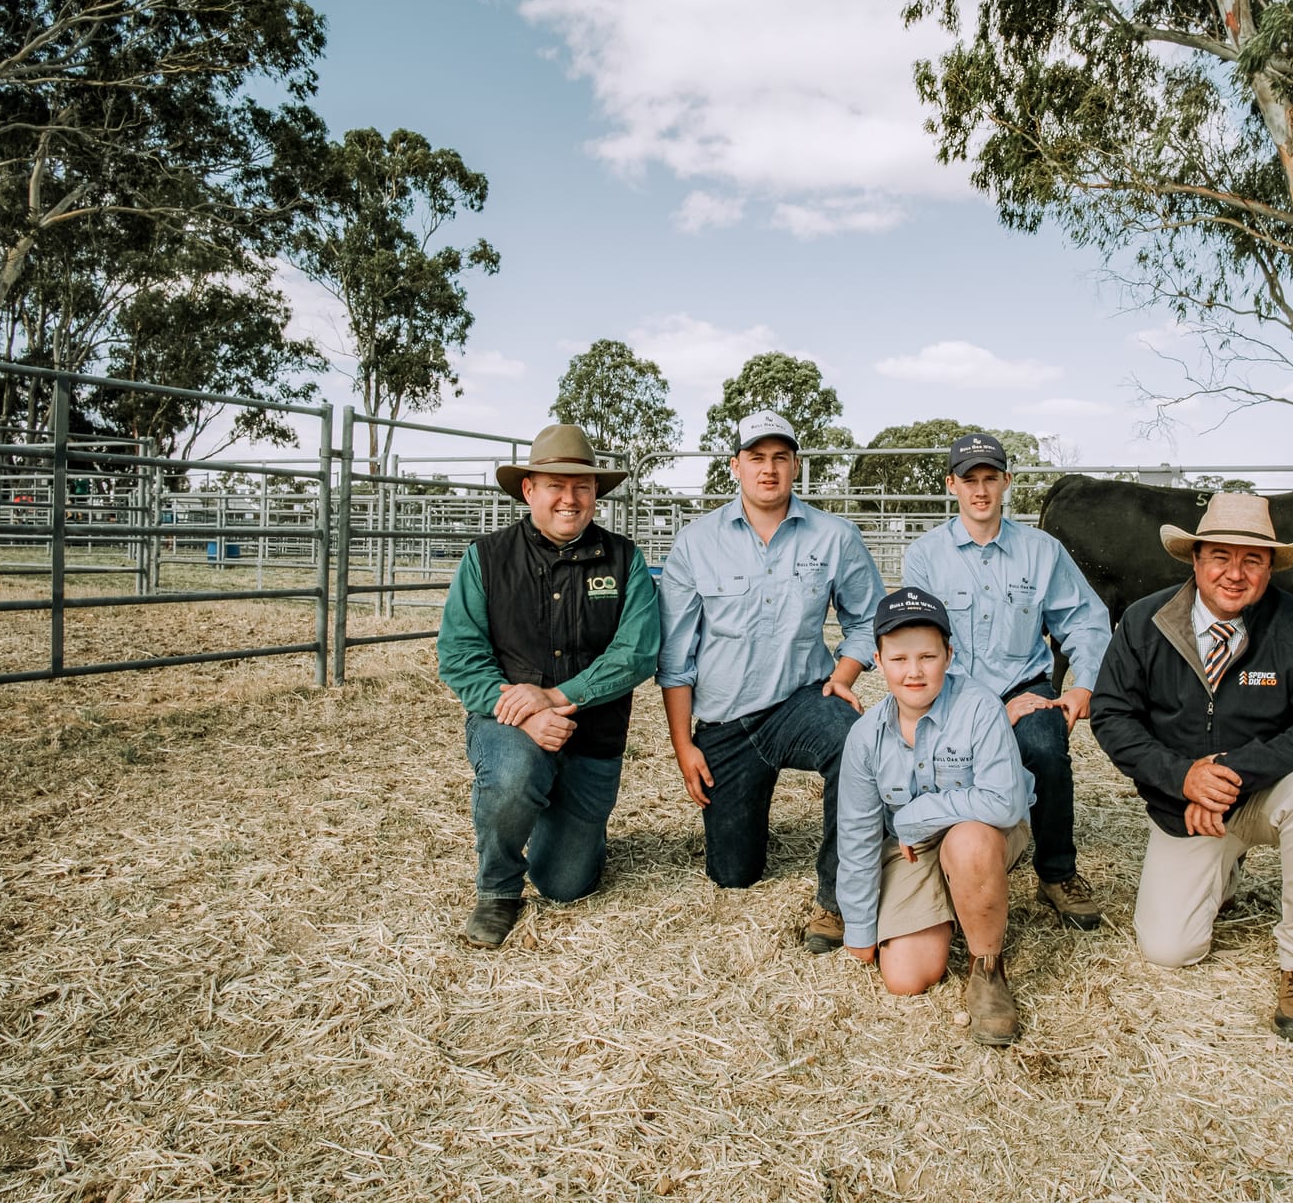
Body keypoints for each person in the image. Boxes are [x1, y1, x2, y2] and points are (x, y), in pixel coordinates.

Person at [1090, 492, 1293, 1041]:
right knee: (1169, 949)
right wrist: (1181, 780)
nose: (1234, 574)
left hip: (1265, 795)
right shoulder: (1145, 622)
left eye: (1252, 560)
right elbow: (1111, 716)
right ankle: (1224, 870)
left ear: (1270, 566)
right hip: (1187, 807)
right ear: (1195, 559)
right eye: (1220, 556)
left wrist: (1230, 772)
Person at [657, 410, 887, 952]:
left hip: (800, 701)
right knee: (734, 874)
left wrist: (844, 675)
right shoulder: (696, 543)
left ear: (796, 466)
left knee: (857, 740)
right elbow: (676, 655)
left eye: (780, 458)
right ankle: (745, 819)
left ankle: (838, 901)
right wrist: (682, 743)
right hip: (723, 722)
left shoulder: (834, 536)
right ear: (734, 466)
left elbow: (868, 621)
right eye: (756, 458)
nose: (768, 469)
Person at [437, 423, 661, 949]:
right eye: (555, 485)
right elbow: (460, 654)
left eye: (582, 487)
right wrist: (524, 712)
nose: (570, 498)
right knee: (515, 771)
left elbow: (638, 652)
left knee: (566, 885)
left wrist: (556, 698)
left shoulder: (625, 560)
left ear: (596, 496)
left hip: (593, 739)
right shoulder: (487, 558)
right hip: (509, 725)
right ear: (528, 489)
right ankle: (497, 890)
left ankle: (567, 828)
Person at [899, 432, 1112, 929]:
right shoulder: (926, 556)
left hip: (1023, 684)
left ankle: (1057, 872)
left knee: (1044, 741)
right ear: (951, 484)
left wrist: (1083, 685)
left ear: (1006, 483)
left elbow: (1084, 619)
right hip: (948, 692)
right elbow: (921, 646)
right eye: (969, 479)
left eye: (989, 478)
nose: (980, 490)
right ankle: (939, 858)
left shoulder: (1041, 551)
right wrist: (988, 711)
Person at [836, 587, 1035, 1045]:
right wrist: (861, 926)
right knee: (904, 978)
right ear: (878, 660)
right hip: (917, 850)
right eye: (899, 659)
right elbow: (858, 834)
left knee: (968, 843)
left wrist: (916, 814)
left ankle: (987, 970)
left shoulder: (980, 707)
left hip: (986, 833)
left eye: (927, 656)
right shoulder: (866, 736)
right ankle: (955, 897)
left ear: (949, 654)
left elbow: (1005, 803)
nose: (914, 672)